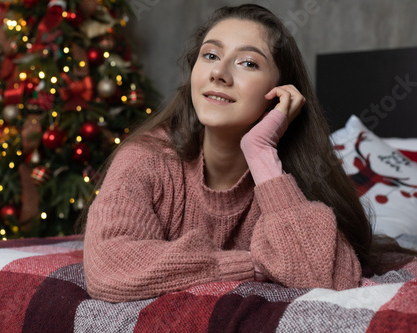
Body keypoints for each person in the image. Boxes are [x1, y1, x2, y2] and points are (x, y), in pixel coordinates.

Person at [80, 4, 408, 303]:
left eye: (248, 63)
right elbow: (109, 269)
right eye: (210, 55)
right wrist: (253, 265)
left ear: (278, 94)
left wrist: (262, 153)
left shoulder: (290, 179)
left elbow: (328, 278)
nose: (219, 73)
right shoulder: (147, 157)